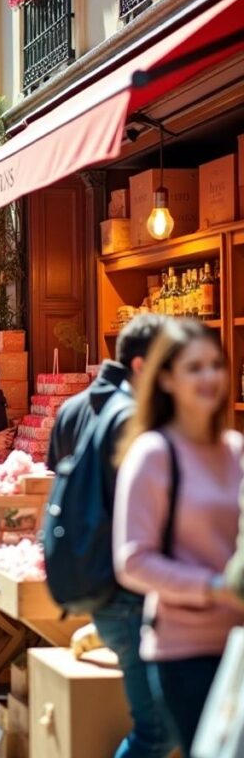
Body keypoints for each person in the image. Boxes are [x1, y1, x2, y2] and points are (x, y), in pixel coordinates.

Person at [45, 313, 174, 758]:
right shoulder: (133, 417)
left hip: (99, 575)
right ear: (143, 366)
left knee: (160, 722)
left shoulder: (74, 409)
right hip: (127, 586)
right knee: (158, 729)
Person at [114, 320, 244, 754]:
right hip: (186, 648)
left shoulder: (236, 449)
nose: (210, 377)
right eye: (194, 368)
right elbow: (133, 561)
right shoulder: (153, 453)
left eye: (215, 365)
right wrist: (214, 588)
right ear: (166, 378)